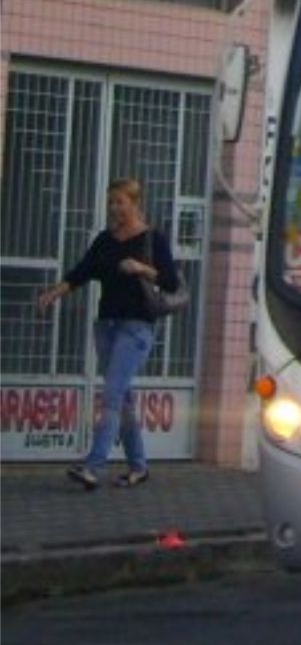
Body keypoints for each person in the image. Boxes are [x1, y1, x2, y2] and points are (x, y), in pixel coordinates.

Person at [36, 178, 181, 491]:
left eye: (120, 202)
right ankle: (138, 467)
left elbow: (170, 281)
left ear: (134, 202)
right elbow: (82, 272)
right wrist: (54, 294)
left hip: (137, 328)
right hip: (107, 327)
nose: (114, 208)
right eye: (111, 202)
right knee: (124, 399)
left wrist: (141, 268)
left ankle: (92, 466)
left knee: (112, 395)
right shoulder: (104, 239)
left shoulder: (153, 238)